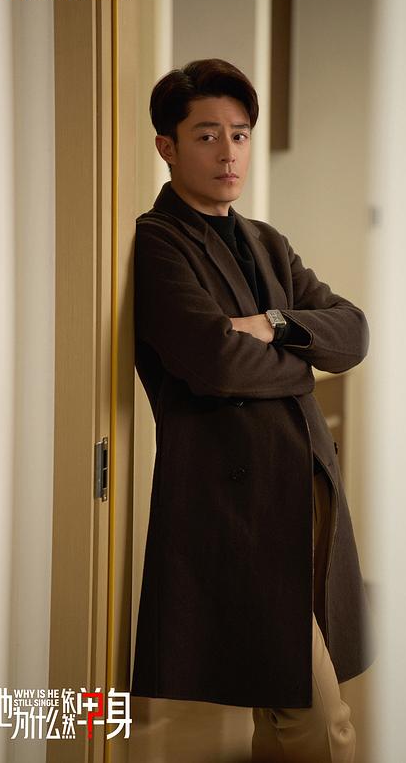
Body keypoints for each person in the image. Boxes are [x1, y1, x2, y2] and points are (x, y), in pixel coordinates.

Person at [131, 58, 376, 762]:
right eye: (206, 135)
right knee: (320, 719)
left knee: (281, 709)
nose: (228, 153)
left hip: (305, 486)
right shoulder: (158, 240)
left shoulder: (267, 241)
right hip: (236, 504)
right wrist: (300, 359)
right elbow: (215, 362)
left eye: (239, 135)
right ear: (167, 146)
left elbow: (352, 332)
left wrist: (270, 324)